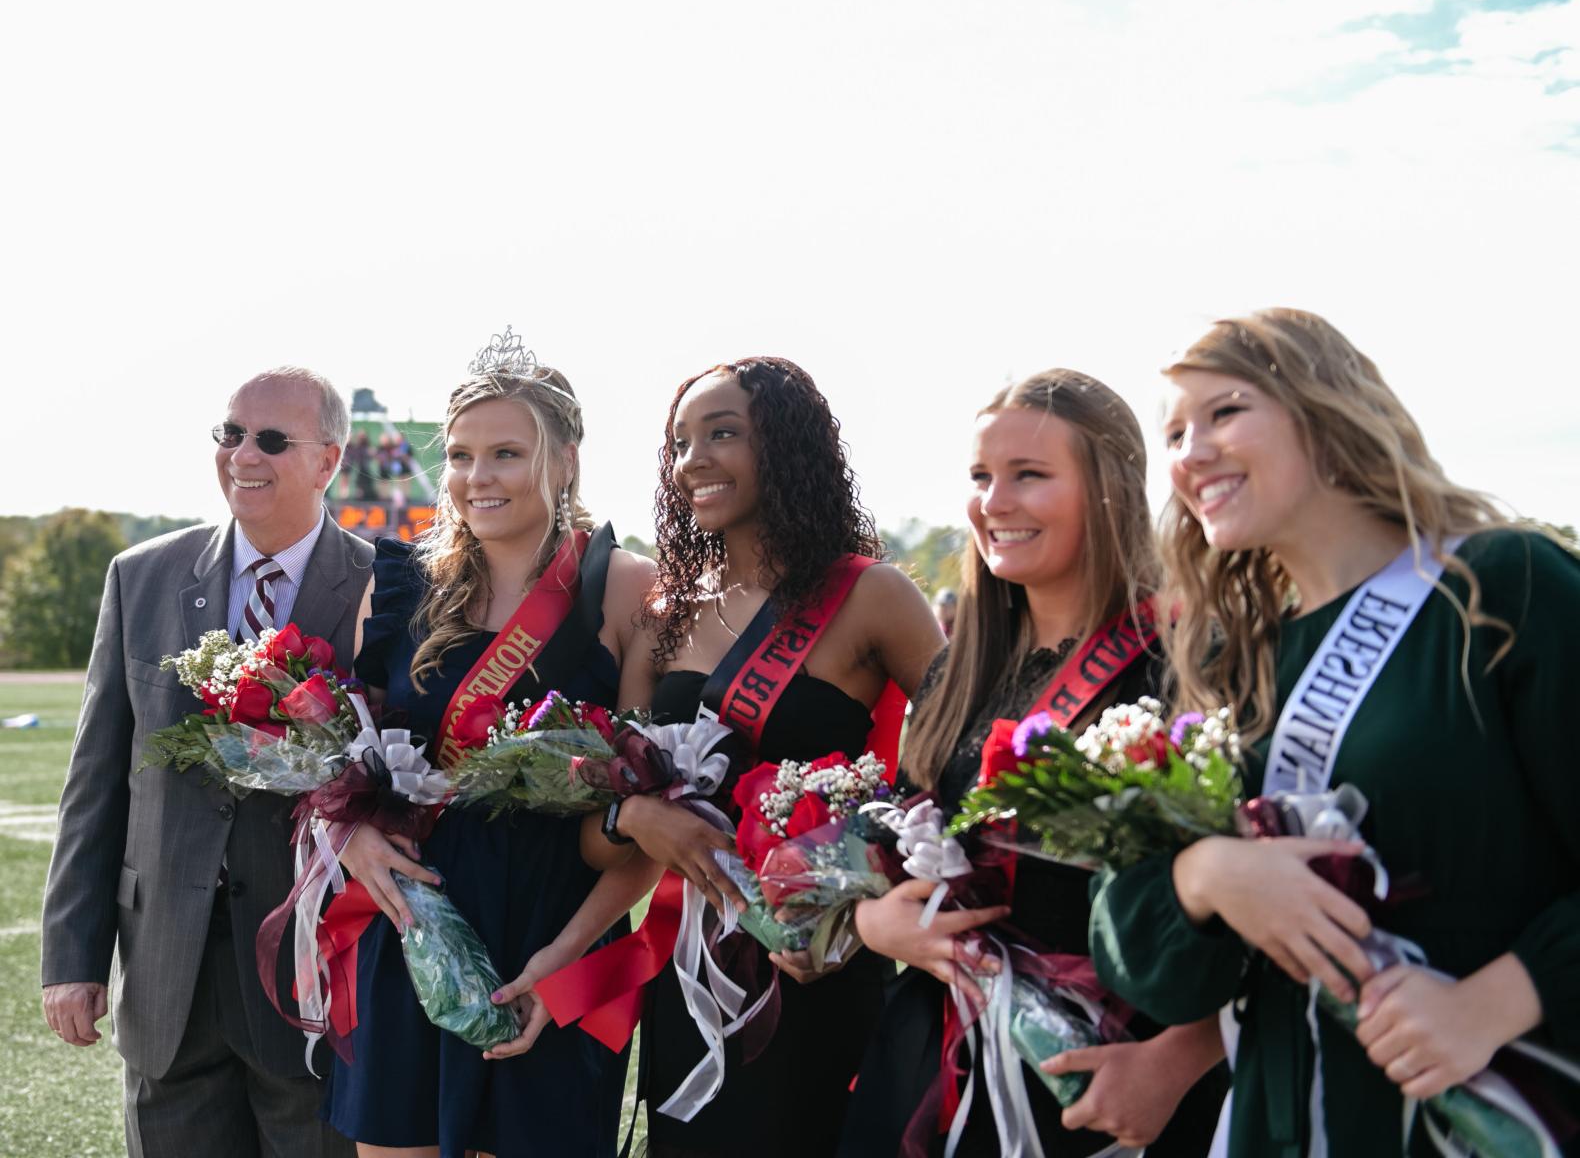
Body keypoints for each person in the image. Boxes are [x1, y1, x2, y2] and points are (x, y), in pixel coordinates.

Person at [1089, 308, 1580, 1155]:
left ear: (1322, 410)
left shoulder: (1500, 588)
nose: (1190, 452)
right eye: (1174, 432)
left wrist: (1488, 1004)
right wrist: (1209, 876)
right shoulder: (1228, 662)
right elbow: (1138, 954)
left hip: (1492, 1114)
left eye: (1225, 412)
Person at [840, 369, 1227, 1156]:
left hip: (1116, 1078)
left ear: (1111, 489)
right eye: (982, 477)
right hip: (939, 1053)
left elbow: (1256, 909)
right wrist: (872, 922)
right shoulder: (959, 671)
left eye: (1030, 476)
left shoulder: (1191, 662)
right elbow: (900, 826)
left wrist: (1178, 1061)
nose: (994, 502)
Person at [325, 335, 659, 1158]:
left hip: (555, 929)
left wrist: (567, 956)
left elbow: (655, 806)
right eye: (464, 455)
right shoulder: (400, 582)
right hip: (416, 926)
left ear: (567, 459)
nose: (479, 478)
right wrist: (353, 833)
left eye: (507, 453)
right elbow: (352, 760)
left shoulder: (625, 588)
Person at [607, 357, 944, 1157]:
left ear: (789, 448)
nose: (694, 460)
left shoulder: (872, 595)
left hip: (817, 962)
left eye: (723, 433)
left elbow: (957, 766)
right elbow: (603, 814)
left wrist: (850, 861)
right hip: (690, 973)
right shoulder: (665, 615)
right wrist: (639, 816)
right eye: (680, 442)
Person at [41, 367, 368, 1157]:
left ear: (328, 461)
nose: (241, 455)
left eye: (270, 440)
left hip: (314, 983)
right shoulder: (142, 576)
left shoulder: (386, 587)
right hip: (166, 979)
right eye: (230, 433)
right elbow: (96, 782)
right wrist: (72, 956)